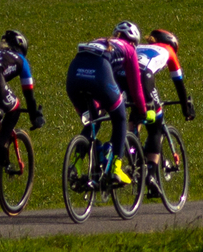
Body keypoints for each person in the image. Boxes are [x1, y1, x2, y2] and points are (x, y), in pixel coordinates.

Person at [65, 22, 151, 186]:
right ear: (133, 41)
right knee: (119, 118)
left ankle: (76, 163)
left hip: (74, 76)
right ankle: (116, 168)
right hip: (99, 73)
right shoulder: (129, 49)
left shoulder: (101, 41)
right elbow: (135, 86)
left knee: (93, 119)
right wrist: (142, 109)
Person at [133, 26, 197, 127]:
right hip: (144, 76)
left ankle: (128, 139)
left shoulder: (138, 47)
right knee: (156, 127)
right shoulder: (169, 50)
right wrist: (186, 110)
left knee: (135, 109)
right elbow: (179, 83)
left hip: (120, 75)